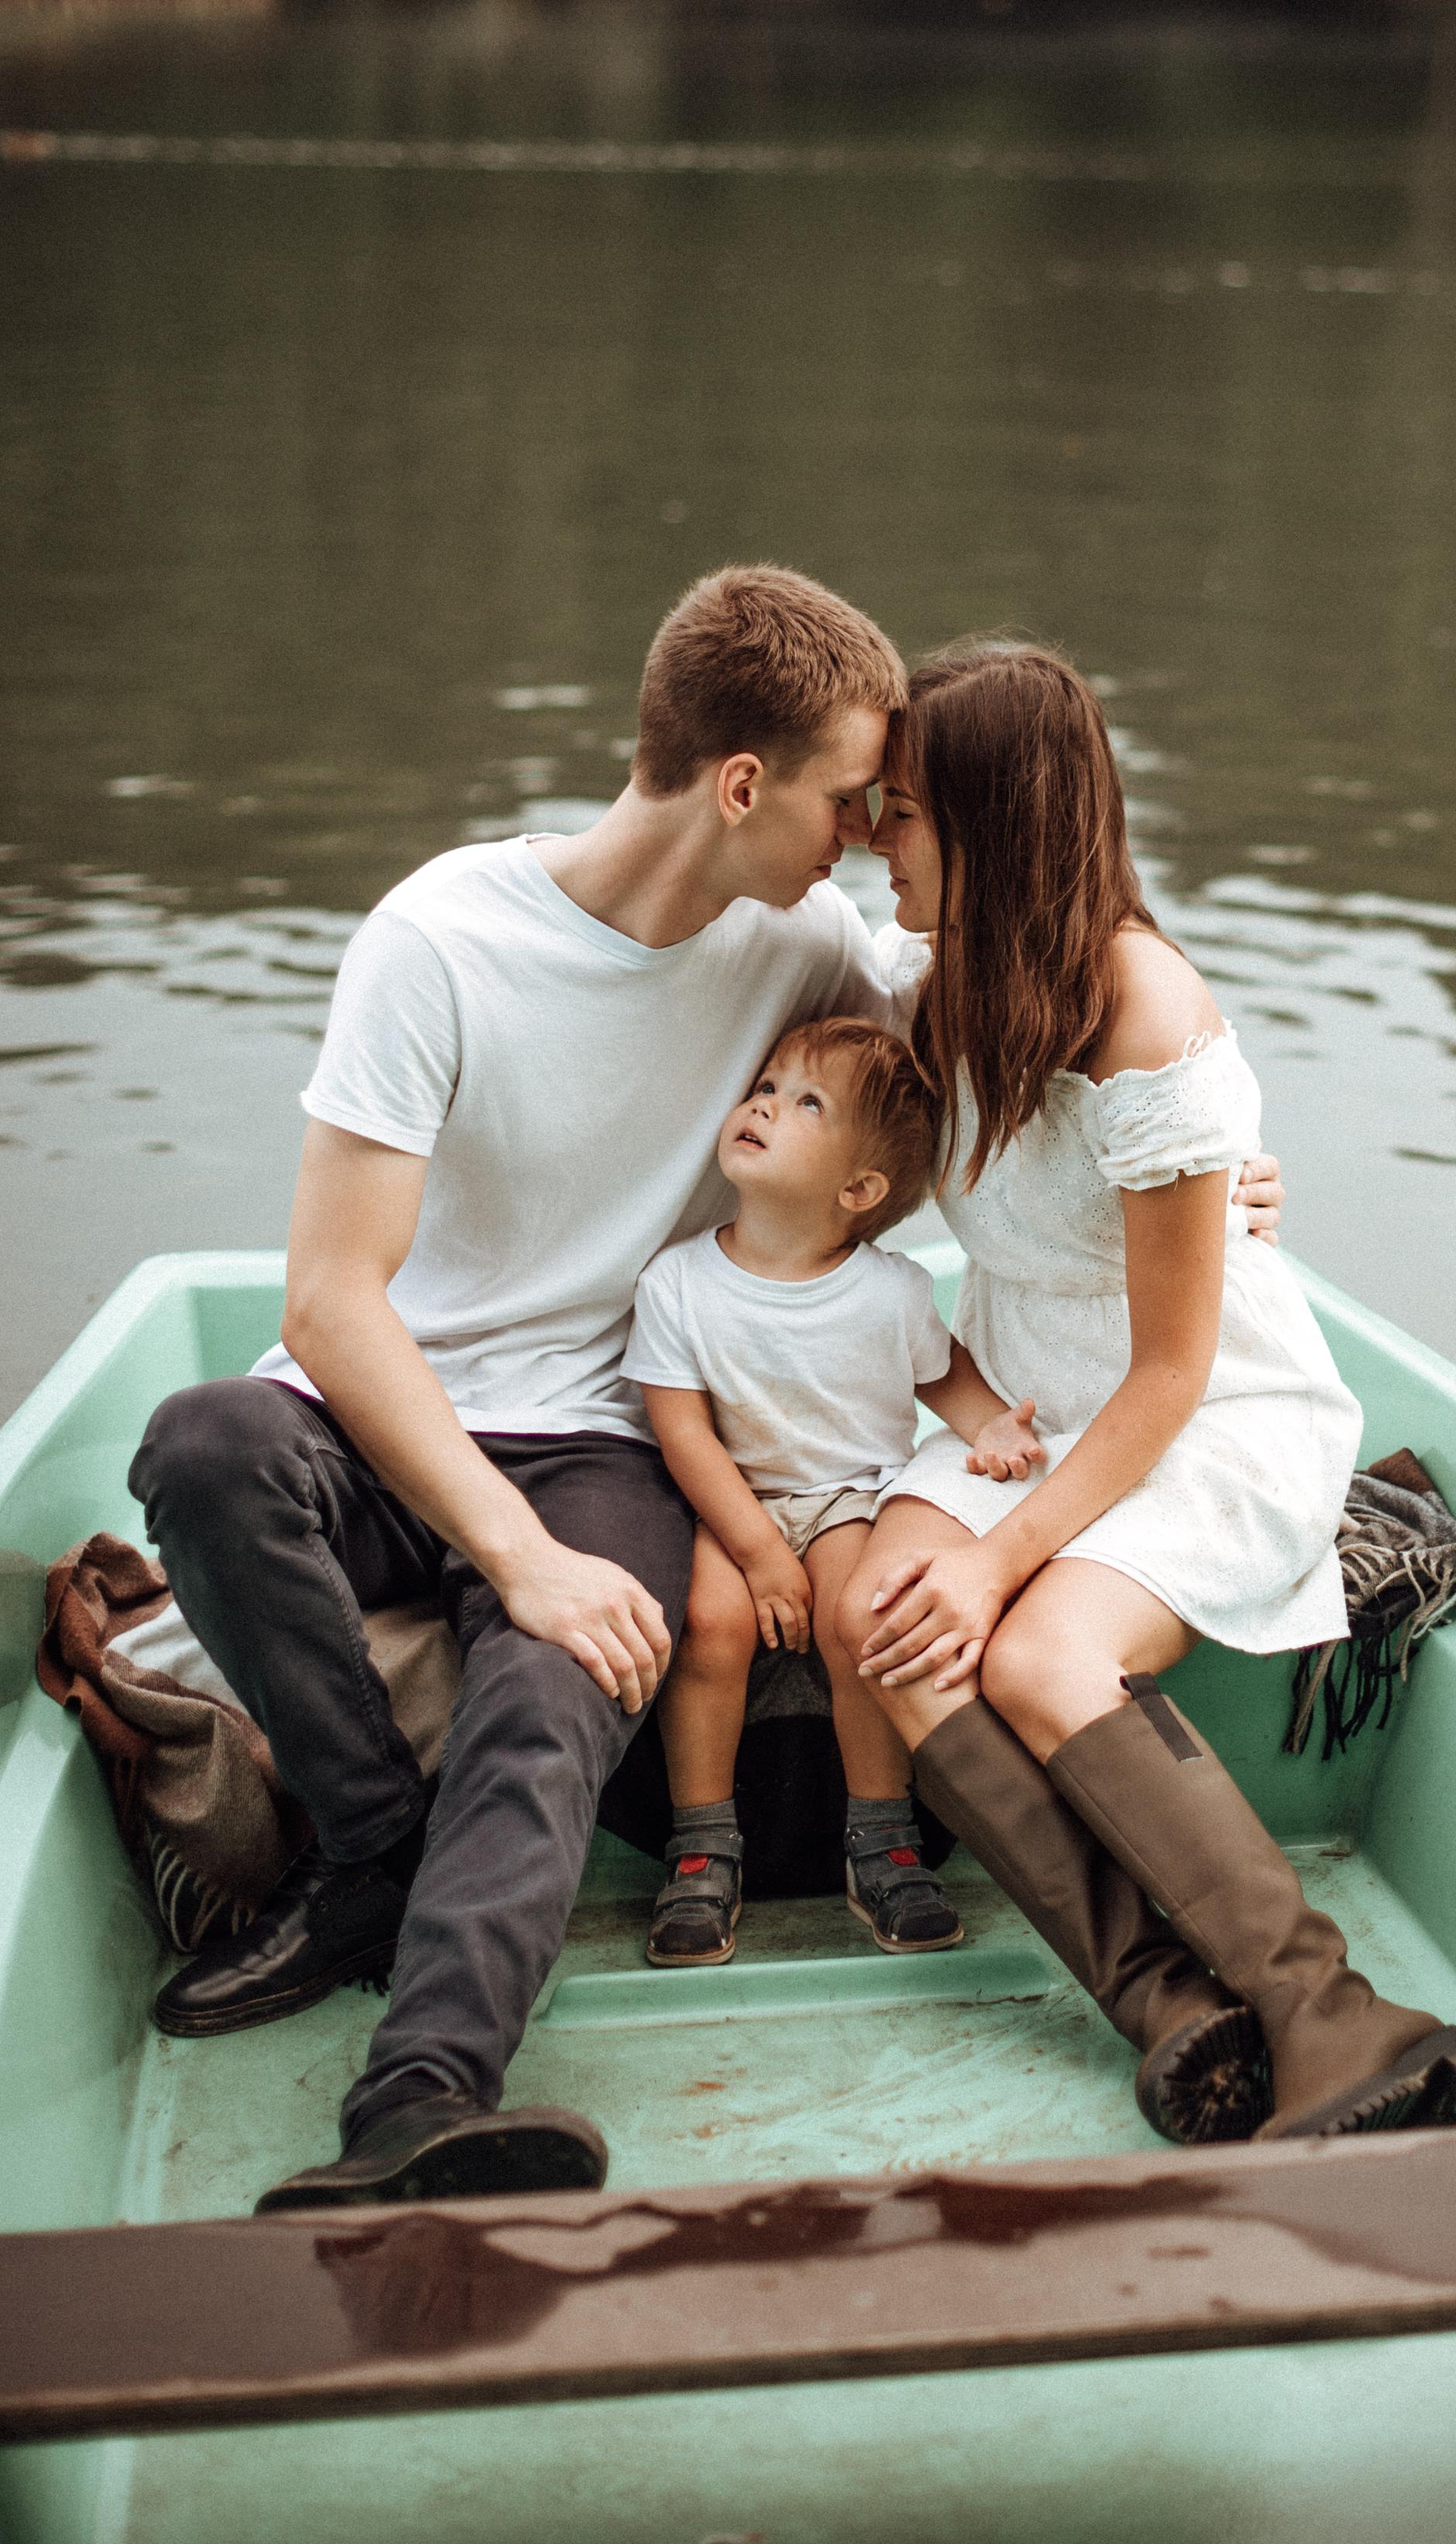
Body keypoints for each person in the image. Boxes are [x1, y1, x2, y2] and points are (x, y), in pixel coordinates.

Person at [127, 567, 1284, 2212]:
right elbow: (327, 1305)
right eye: (847, 801)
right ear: (742, 786)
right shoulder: (438, 939)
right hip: (384, 1419)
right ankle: (373, 1859)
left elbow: (1066, 1032)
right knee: (205, 1443)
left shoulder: (813, 943)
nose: (870, 840)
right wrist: (510, 1556)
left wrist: (1221, 1155)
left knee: (550, 1687)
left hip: (608, 1429)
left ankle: (419, 2103)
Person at [840, 640, 1456, 2146]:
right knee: (879, 1609)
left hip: (1205, 1414)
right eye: (871, 810)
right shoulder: (932, 976)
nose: (879, 842)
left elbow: (1173, 1368)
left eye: (903, 815)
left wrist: (1008, 1559)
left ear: (996, 828)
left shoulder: (1144, 1011)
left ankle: (1335, 2013)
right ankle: (1169, 2006)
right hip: (1029, 1391)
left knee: (1040, 1656)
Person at [625, 1016, 1046, 1968]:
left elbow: (944, 1378)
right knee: (711, 1622)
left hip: (850, 1495)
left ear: (858, 1190)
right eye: (767, 1084)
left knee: (864, 1622)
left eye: (805, 1102)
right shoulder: (678, 1284)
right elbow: (682, 1435)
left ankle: (881, 1836)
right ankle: (701, 1844)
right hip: (729, 1500)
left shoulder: (886, 1291)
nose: (764, 1104)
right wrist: (760, 1552)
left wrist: (992, 1428)